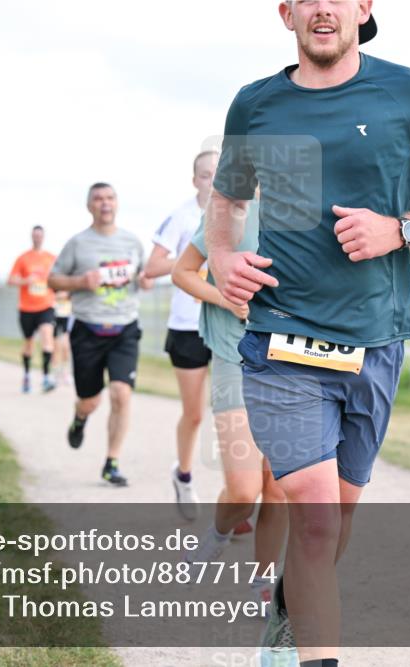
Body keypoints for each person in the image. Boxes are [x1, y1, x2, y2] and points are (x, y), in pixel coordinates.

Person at [205, 3, 410, 663]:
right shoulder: (256, 105)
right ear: (287, 13)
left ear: (363, 8)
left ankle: (288, 609)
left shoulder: (406, 92)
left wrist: (399, 228)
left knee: (337, 522)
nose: (323, 7)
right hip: (281, 338)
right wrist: (221, 258)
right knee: (317, 516)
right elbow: (228, 201)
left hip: (375, 342)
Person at [172, 195, 288, 610]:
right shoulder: (230, 211)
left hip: (293, 360)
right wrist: (225, 298)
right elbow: (182, 272)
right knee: (243, 489)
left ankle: (263, 582)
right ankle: (217, 536)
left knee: (278, 486)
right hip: (234, 353)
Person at [49, 183, 153, 487]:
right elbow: (52, 280)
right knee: (90, 401)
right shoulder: (78, 244)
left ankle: (111, 462)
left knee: (121, 393)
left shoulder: (132, 243)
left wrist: (146, 281)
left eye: (109, 198)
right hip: (88, 330)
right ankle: (80, 419)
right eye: (98, 199)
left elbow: (144, 275)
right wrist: (82, 281)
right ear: (89, 206)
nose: (104, 203)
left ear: (117, 204)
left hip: (125, 328)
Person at [143, 150, 219, 520]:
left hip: (225, 326)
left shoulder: (239, 216)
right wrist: (194, 258)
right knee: (194, 415)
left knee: (234, 417)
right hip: (188, 327)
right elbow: (153, 266)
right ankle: (184, 476)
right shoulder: (182, 216)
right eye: (206, 175)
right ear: (195, 181)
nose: (213, 180)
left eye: (219, 174)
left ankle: (235, 498)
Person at [8, 225, 59, 394]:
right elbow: (11, 280)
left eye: (40, 235)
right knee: (28, 343)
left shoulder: (51, 258)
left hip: (46, 305)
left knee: (47, 336)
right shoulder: (23, 258)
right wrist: (25, 281)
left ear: (43, 237)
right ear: (32, 237)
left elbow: (59, 278)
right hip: (27, 307)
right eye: (35, 235)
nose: (37, 238)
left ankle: (46, 377)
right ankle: (27, 375)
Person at [52, 290, 74, 385]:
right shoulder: (55, 282)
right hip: (55, 317)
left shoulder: (70, 283)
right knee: (55, 348)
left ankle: (66, 373)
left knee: (66, 347)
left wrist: (67, 294)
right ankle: (55, 373)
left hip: (67, 317)